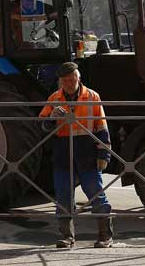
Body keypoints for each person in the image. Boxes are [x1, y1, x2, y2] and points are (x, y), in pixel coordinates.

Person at [39, 62, 113, 249]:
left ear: (78, 79)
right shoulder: (54, 98)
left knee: (96, 194)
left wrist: (104, 154)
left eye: (72, 79)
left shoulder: (92, 96)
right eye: (65, 80)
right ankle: (67, 237)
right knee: (63, 196)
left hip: (86, 152)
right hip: (63, 153)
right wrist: (52, 118)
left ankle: (105, 236)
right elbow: (41, 127)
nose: (69, 83)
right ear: (60, 82)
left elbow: (102, 128)